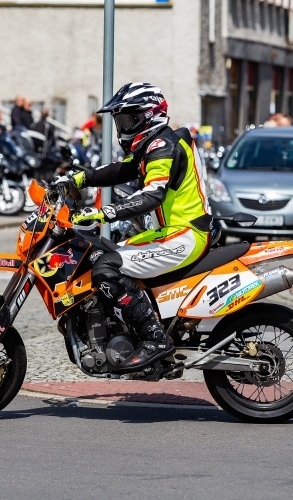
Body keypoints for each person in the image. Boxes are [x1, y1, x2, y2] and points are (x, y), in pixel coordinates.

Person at [58, 82, 211, 371]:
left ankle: (154, 339)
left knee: (106, 268)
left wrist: (102, 214)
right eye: (120, 120)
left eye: (127, 118)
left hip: (184, 235)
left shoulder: (162, 145)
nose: (122, 126)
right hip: (173, 232)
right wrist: (79, 179)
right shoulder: (154, 144)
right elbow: (122, 169)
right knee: (99, 255)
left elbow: (153, 195)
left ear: (148, 115)